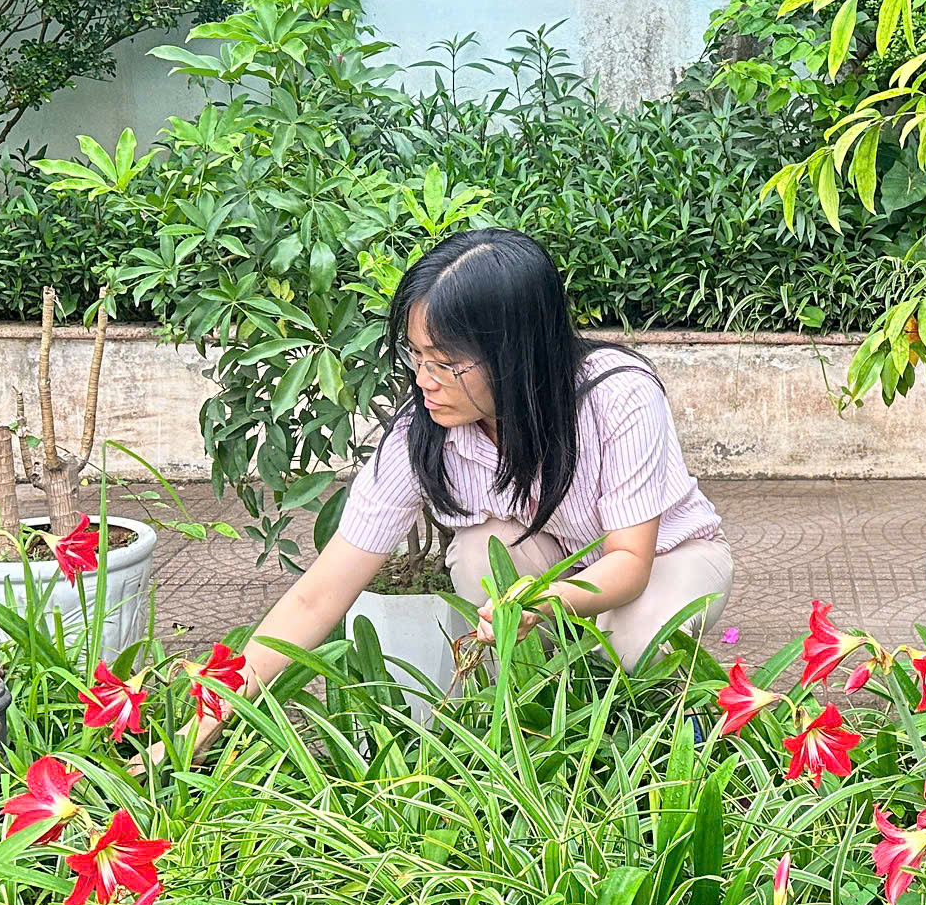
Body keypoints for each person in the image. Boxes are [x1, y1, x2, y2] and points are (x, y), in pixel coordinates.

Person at [192, 228, 732, 739]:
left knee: (634, 642)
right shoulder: (423, 433)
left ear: (516, 353)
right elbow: (317, 596)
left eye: (446, 362)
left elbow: (630, 564)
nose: (423, 380)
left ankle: (669, 730)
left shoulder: (617, 396)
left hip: (669, 558)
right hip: (555, 563)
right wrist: (212, 714)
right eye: (416, 355)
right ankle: (533, 724)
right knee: (481, 551)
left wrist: (539, 605)